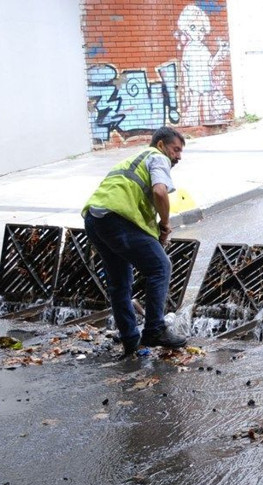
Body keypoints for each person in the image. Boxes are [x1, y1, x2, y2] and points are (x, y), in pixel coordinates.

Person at [82, 126, 188, 356]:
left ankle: (131, 340)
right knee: (160, 266)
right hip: (117, 219)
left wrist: (154, 234)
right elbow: (160, 192)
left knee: (119, 283)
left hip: (94, 219)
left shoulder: (132, 160)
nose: (178, 156)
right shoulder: (158, 158)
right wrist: (165, 225)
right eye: (176, 149)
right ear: (161, 145)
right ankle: (154, 329)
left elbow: (138, 204)